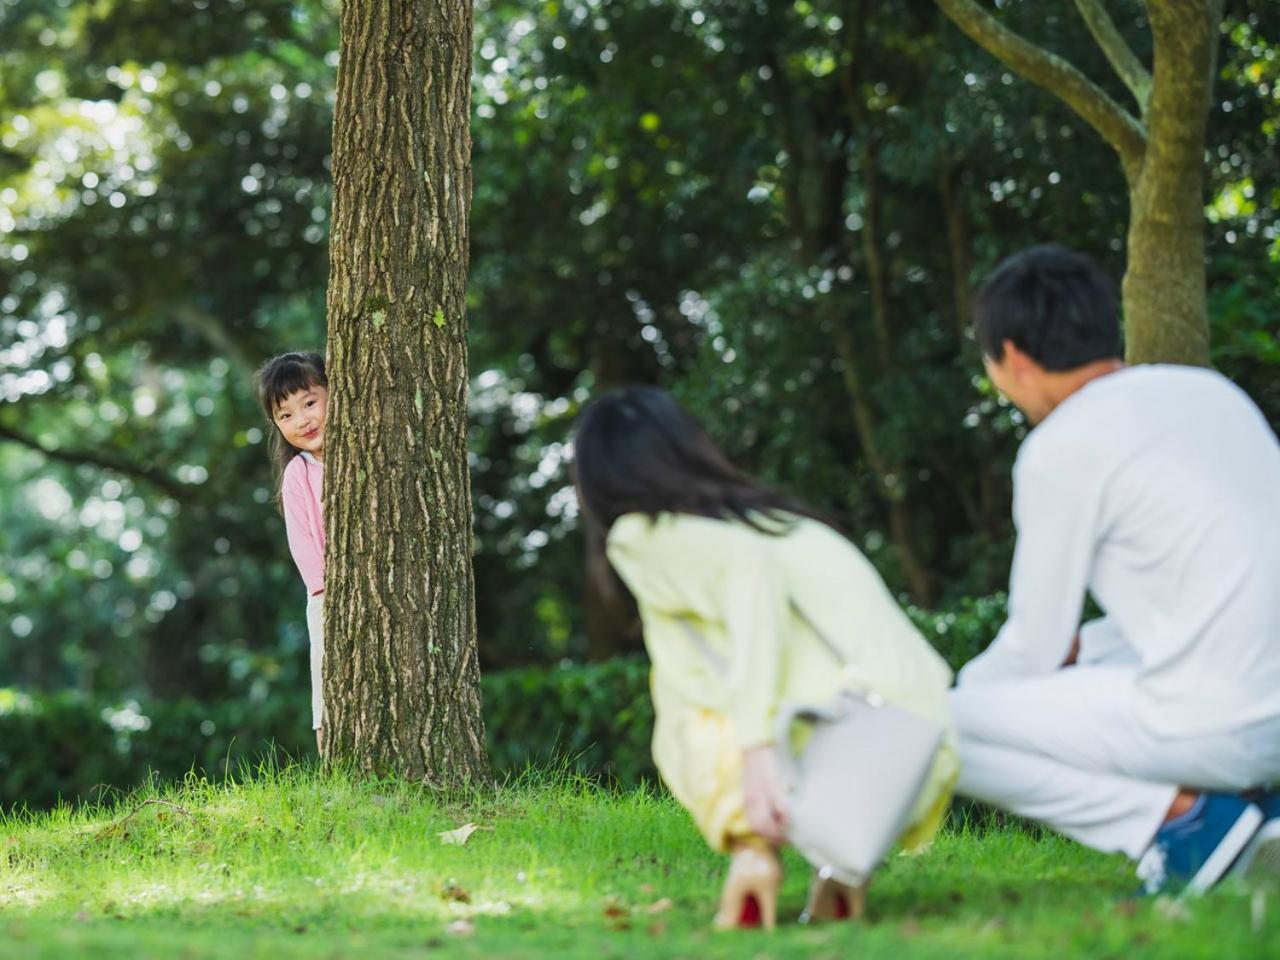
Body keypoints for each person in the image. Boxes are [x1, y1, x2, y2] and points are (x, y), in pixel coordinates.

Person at [951, 244, 1280, 896]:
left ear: (1014, 357)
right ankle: (1256, 811)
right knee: (1096, 646)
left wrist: (957, 691)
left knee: (943, 723)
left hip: (1225, 724)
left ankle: (1186, 824)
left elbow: (1033, 648)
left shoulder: (1059, 446)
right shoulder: (1212, 393)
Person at [573, 386, 957, 929]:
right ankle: (840, 876)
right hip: (919, 751)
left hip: (838, 745)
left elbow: (746, 570)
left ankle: (752, 856)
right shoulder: (773, 519)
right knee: (691, 633)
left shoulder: (640, 532)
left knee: (677, 682)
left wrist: (755, 750)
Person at [256, 351, 329, 754]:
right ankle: (330, 758)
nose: (302, 420)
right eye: (286, 415)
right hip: (327, 595)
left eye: (310, 403)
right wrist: (324, 590)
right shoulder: (298, 473)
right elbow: (302, 543)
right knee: (327, 677)